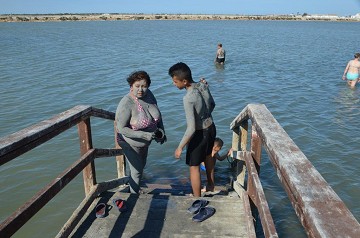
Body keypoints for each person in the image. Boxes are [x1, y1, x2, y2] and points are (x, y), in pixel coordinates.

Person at [168, 62, 216, 197]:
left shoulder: (188, 98)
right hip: (211, 127)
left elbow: (191, 128)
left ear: (184, 81)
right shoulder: (203, 85)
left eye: (175, 81)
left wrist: (180, 147)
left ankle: (197, 198)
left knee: (194, 166)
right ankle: (211, 185)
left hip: (200, 133)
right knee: (208, 157)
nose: (174, 84)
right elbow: (212, 104)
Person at [115, 70, 166, 194]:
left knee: (140, 167)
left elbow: (158, 115)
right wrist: (144, 135)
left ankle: (133, 187)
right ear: (131, 86)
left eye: (144, 86)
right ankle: (133, 197)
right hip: (129, 142)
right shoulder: (127, 103)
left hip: (146, 142)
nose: (141, 90)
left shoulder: (149, 95)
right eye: (137, 86)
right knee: (137, 171)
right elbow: (121, 128)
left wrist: (162, 130)